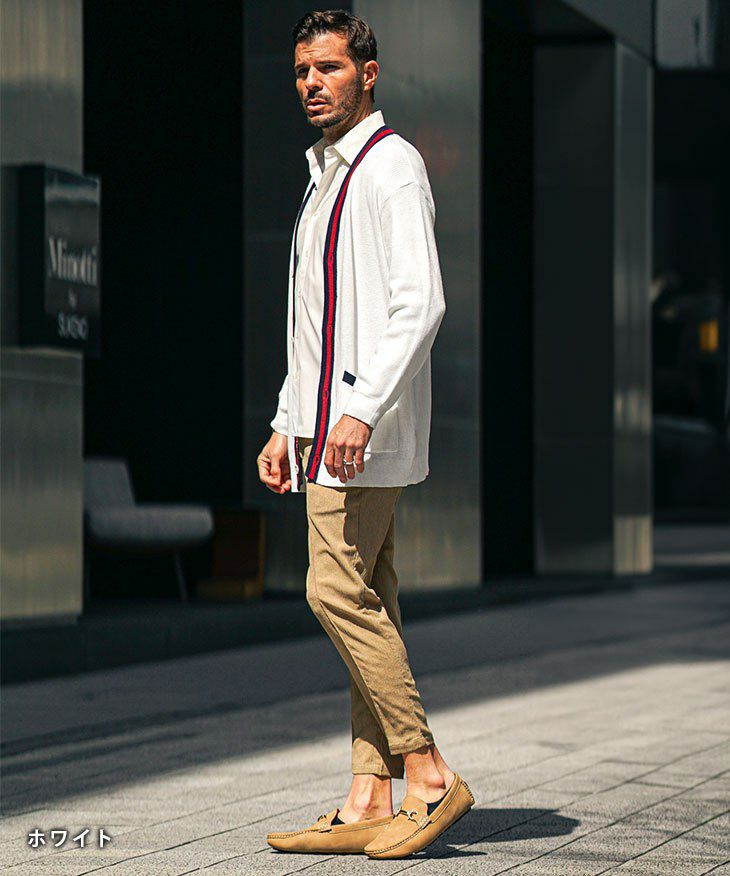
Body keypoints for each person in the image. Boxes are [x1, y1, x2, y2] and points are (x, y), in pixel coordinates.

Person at [257, 9, 474, 860]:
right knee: (367, 596)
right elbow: (315, 327)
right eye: (302, 71)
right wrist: (286, 422)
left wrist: (358, 409)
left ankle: (427, 772)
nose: (312, 83)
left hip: (360, 433)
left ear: (369, 74)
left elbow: (420, 303)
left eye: (329, 68)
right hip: (328, 429)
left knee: (332, 590)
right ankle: (367, 794)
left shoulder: (390, 167)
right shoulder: (324, 178)